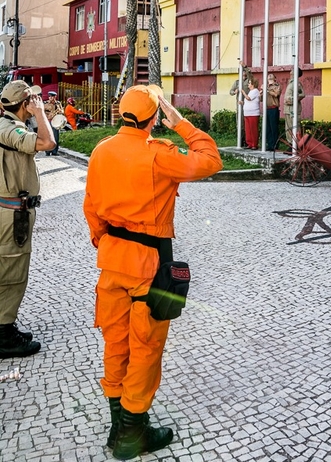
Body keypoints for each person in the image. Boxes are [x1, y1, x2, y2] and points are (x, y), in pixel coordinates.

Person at [83, 85, 222, 459]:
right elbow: (211, 160)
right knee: (145, 347)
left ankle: (118, 424)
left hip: (112, 261)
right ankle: (132, 433)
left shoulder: (101, 150)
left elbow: (91, 207)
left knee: (116, 343)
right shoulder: (158, 154)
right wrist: (181, 124)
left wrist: (108, 242)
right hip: (149, 266)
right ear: (154, 117)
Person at [0, 81, 55, 358]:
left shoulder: (5, 125)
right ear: (25, 104)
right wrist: (40, 113)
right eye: (32, 101)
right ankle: (4, 336)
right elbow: (48, 143)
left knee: (7, 269)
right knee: (12, 273)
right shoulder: (12, 129)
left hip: (9, 211)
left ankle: (5, 327)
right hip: (12, 214)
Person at [230, 61, 252, 147]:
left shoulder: (249, 81)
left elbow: (250, 74)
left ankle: (247, 140)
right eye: (242, 71)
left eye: (244, 71)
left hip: (248, 104)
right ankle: (241, 140)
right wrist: (234, 92)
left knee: (247, 124)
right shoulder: (237, 82)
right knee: (240, 124)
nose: (243, 73)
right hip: (239, 105)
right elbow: (230, 91)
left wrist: (245, 67)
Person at [283, 67, 305, 143]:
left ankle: (296, 144)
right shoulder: (291, 83)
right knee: (288, 128)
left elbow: (302, 94)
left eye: (292, 70)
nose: (290, 72)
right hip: (288, 109)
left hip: (293, 110)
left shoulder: (297, 84)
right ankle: (291, 143)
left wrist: (290, 100)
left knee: (295, 127)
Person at [240, 78, 261, 151]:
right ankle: (249, 143)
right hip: (247, 113)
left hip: (253, 113)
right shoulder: (250, 92)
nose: (248, 84)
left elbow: (249, 98)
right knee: (248, 129)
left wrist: (243, 92)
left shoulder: (255, 91)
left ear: (253, 84)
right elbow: (248, 101)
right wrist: (242, 103)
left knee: (253, 129)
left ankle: (254, 144)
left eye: (249, 83)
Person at [43, 90, 64, 156]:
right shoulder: (45, 103)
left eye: (52, 97)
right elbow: (42, 112)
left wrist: (60, 111)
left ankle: (54, 151)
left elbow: (62, 111)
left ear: (55, 97)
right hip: (48, 121)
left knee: (55, 137)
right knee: (48, 136)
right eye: (49, 97)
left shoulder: (58, 103)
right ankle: (47, 151)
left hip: (56, 121)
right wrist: (48, 116)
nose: (50, 98)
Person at [265, 73, 281, 151]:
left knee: (274, 127)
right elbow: (261, 99)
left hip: (273, 108)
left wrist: (267, 90)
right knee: (268, 128)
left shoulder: (277, 86)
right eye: (269, 75)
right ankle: (270, 145)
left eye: (272, 75)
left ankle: (275, 145)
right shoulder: (266, 86)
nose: (270, 76)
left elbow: (276, 94)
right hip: (267, 109)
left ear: (275, 78)